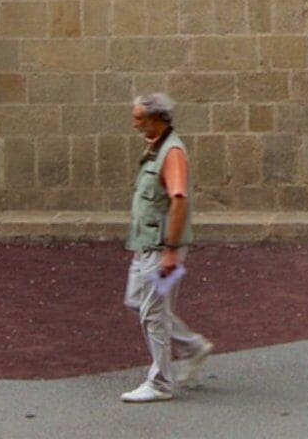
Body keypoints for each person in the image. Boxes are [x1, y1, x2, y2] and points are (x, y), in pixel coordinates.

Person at [120, 90, 211, 402]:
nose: (134, 124)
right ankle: (193, 346)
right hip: (147, 246)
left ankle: (160, 383)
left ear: (157, 119)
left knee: (154, 313)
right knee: (137, 302)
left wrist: (170, 251)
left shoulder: (171, 153)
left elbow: (178, 199)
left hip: (162, 249)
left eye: (139, 119)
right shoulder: (155, 148)